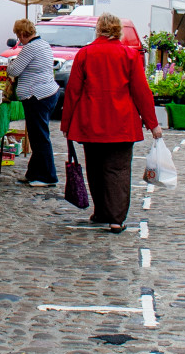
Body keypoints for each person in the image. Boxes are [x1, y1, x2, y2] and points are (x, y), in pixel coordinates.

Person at [61, 13, 163, 235]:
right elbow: (141, 92)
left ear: (98, 30)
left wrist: (66, 123)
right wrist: (152, 123)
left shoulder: (85, 54)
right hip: (122, 123)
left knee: (95, 169)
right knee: (117, 170)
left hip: (91, 120)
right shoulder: (129, 55)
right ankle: (116, 218)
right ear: (118, 31)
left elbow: (73, 92)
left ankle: (101, 212)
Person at [7, 18, 60, 187]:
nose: (18, 39)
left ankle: (47, 176)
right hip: (48, 93)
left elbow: (14, 70)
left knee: (40, 137)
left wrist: (11, 63)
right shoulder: (43, 44)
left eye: (18, 35)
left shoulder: (30, 48)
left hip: (36, 96)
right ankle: (33, 173)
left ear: (23, 34)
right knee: (38, 136)